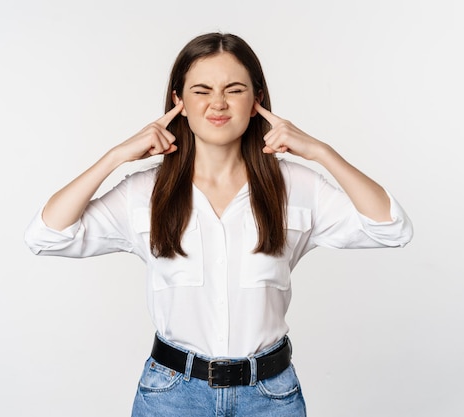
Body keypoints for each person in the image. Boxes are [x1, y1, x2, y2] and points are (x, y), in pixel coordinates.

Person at [24, 32, 413, 417]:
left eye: (235, 89)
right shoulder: (145, 191)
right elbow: (46, 235)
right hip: (171, 397)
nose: (218, 104)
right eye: (201, 90)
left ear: (257, 99)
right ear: (178, 100)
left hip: (270, 397)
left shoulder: (296, 186)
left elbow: (391, 227)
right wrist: (115, 157)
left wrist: (321, 153)